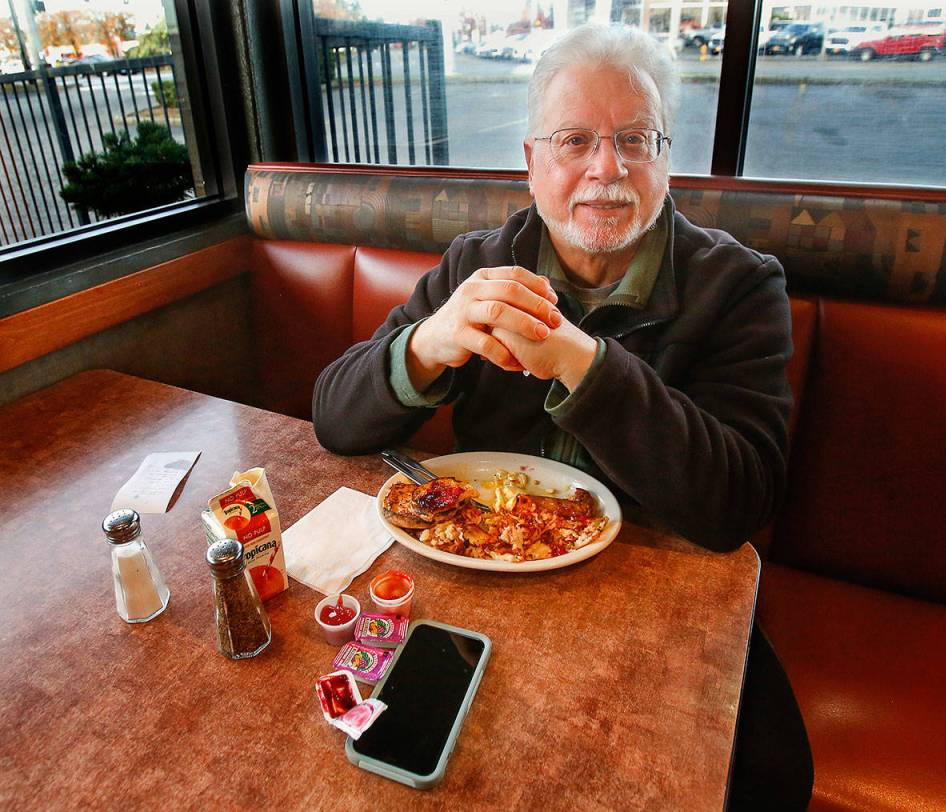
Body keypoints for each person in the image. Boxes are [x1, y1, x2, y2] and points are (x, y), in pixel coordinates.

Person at [314, 23, 812, 809]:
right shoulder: (478, 265)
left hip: (654, 603)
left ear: (666, 157)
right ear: (532, 162)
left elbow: (739, 502)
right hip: (481, 587)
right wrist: (430, 343)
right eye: (575, 140)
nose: (606, 168)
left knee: (761, 776)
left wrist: (582, 363)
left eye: (634, 140)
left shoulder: (739, 288)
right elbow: (335, 421)